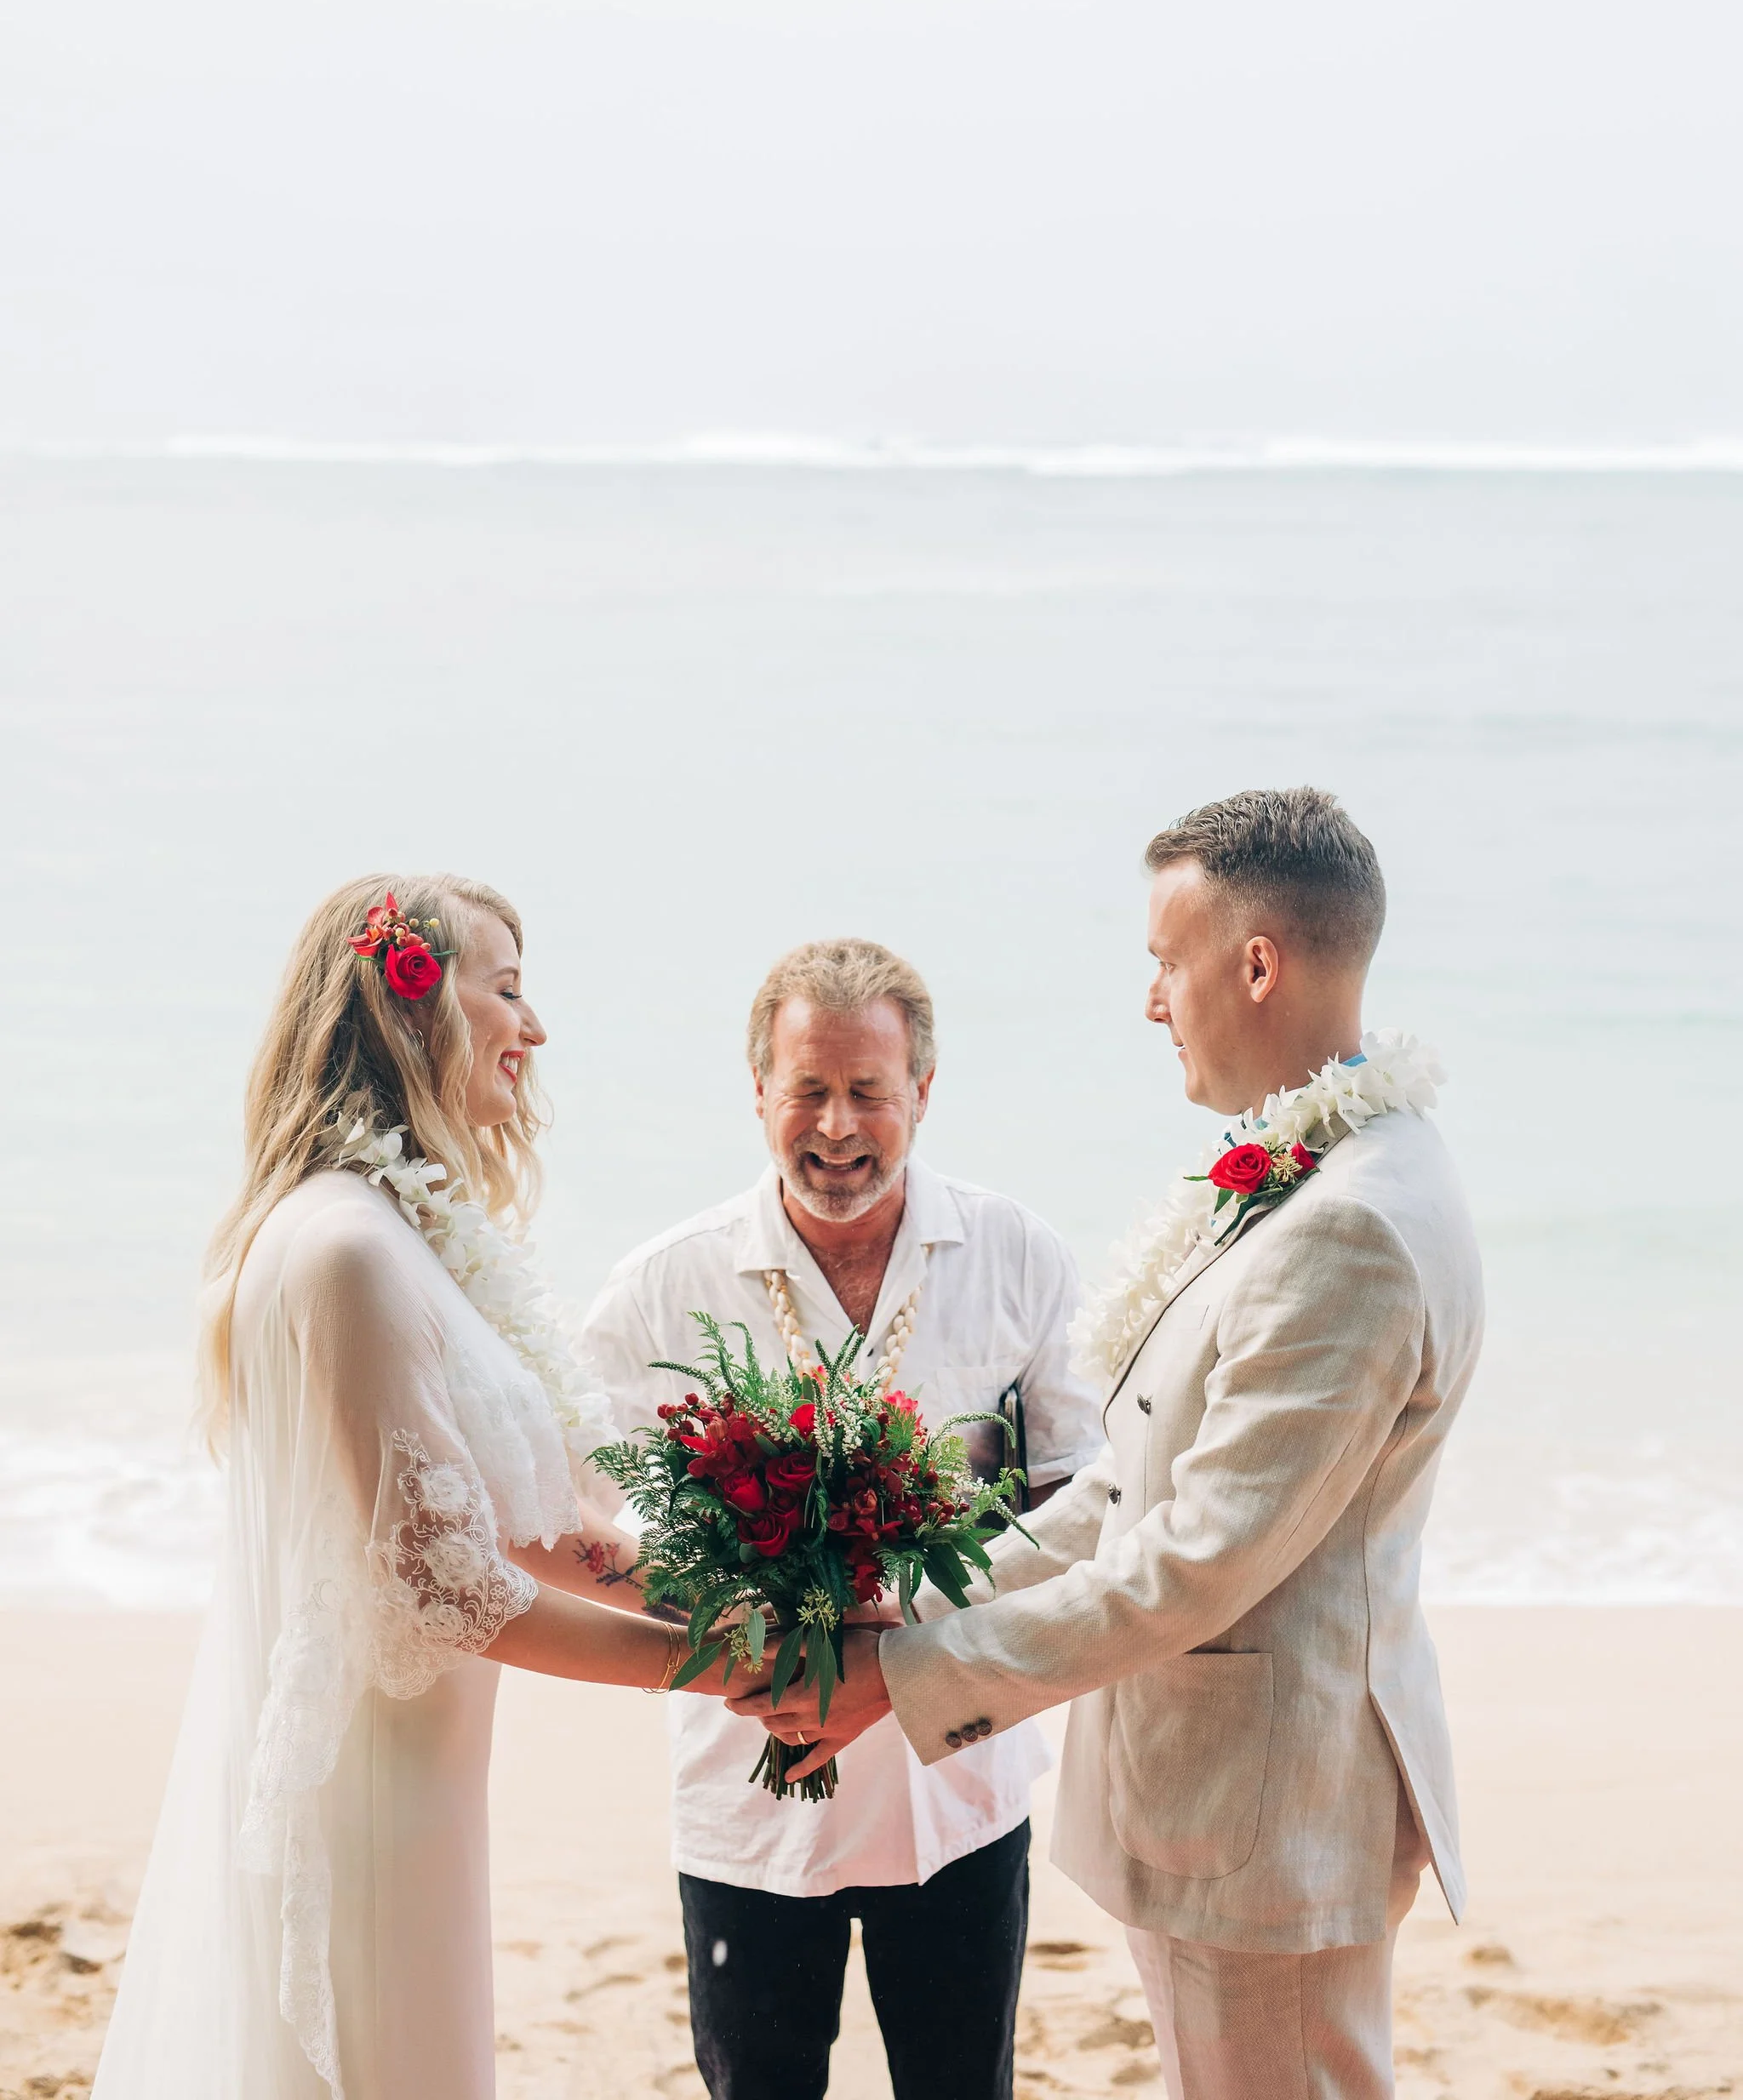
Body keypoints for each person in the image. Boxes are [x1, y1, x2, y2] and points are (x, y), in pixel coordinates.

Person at [738, 794, 1486, 2100]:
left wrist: (898, 1681)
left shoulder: (1348, 1230)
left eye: (1165, 961)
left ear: (1256, 964)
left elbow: (1195, 1562)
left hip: (1270, 1813)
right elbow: (1133, 1490)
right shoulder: (1321, 1170)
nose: (1153, 1002)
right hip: (1224, 1801)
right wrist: (903, 1603)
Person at [93, 874, 731, 2100]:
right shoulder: (343, 1249)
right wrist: (712, 1668)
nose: (534, 1032)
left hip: (423, 1786)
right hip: (366, 1797)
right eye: (508, 989)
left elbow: (526, 1524)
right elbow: (440, 1589)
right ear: (410, 1004)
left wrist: (739, 1600)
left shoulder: (400, 1239)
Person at [581, 936, 1103, 2100]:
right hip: (747, 1792)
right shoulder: (665, 1285)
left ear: (924, 1091)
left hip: (960, 1786)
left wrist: (929, 1615)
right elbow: (570, 1510)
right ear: (757, 1091)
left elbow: (1088, 1495)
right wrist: (715, 1616)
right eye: (807, 1089)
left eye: (869, 1091)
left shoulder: (1018, 1254)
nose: (836, 1125)